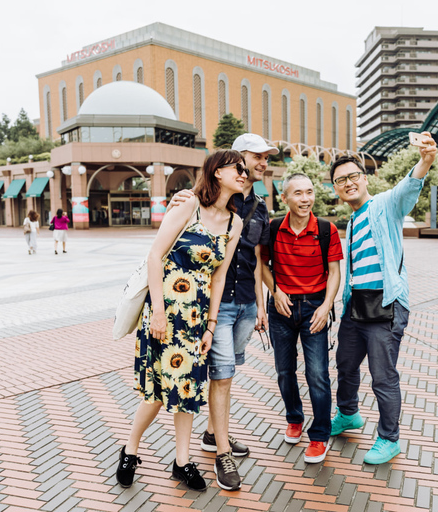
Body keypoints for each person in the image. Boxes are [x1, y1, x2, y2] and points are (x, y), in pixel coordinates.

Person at [116, 149, 244, 491]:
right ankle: (129, 450)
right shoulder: (189, 206)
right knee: (158, 392)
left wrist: (212, 325)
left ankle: (182, 462)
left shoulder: (236, 222)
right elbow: (155, 255)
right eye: (238, 168)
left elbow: (219, 278)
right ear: (217, 172)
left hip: (196, 317)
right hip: (166, 311)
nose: (244, 174)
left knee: (185, 390)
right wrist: (158, 311)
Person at [164, 133, 273, 490]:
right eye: (254, 157)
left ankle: (212, 434)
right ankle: (222, 453)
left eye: (263, 159)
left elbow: (256, 260)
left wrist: (260, 304)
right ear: (232, 161)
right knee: (222, 375)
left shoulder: (257, 208)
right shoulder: (197, 200)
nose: (260, 164)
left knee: (228, 372)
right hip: (216, 304)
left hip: (245, 302)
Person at [329, 133, 438, 465]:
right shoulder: (352, 218)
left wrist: (426, 159)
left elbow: (408, 187)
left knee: (383, 375)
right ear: (335, 188)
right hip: (356, 306)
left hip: (386, 304)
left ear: (364, 178)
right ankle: (348, 414)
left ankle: (389, 438)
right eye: (339, 180)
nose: (347, 183)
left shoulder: (385, 204)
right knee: (345, 365)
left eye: (352, 176)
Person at [260, 173, 342, 464]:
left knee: (317, 374)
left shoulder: (326, 229)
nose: (305, 199)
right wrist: (276, 291)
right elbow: (263, 264)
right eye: (298, 193)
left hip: (314, 307)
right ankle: (294, 418)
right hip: (281, 308)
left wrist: (326, 305)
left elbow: (334, 273)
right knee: (284, 371)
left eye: (309, 192)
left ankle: (320, 436)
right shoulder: (272, 228)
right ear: (284, 198)